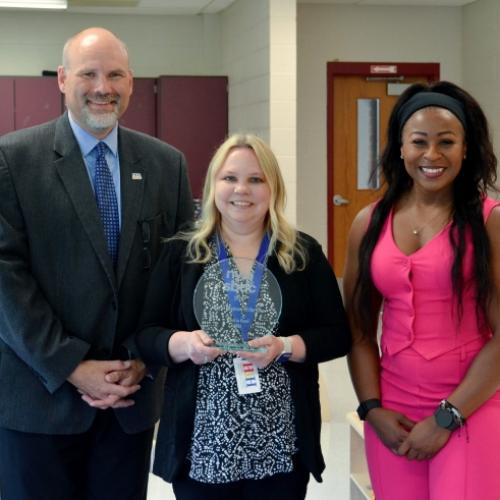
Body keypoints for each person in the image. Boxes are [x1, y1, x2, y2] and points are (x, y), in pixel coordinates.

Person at [0, 27, 193, 500]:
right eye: (89, 73)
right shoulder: (13, 160)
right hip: (38, 402)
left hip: (129, 402)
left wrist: (141, 359)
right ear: (63, 79)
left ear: (131, 83)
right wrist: (71, 364)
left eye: (115, 74)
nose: (102, 87)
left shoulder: (167, 165)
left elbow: (181, 274)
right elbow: (5, 278)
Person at [134, 133, 351, 500]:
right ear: (213, 185)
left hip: (281, 445)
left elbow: (337, 335)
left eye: (256, 179)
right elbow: (145, 334)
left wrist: (285, 346)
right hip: (202, 446)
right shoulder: (182, 254)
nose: (242, 190)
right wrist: (184, 344)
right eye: (230, 178)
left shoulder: (301, 254)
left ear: (273, 188)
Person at [343, 80, 500, 499]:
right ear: (400, 147)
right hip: (393, 413)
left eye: (446, 142)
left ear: (466, 149)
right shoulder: (369, 223)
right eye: (419, 142)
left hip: (471, 407)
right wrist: (371, 408)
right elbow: (358, 330)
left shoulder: (488, 221)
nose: (432, 155)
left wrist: (447, 417)